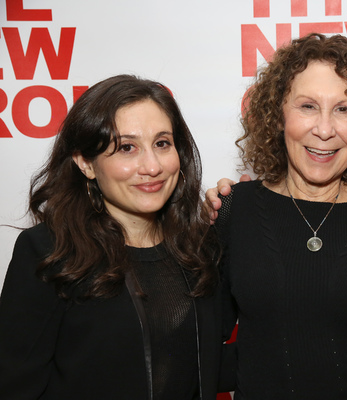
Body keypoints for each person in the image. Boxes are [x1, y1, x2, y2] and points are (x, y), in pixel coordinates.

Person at [0, 75, 230, 399]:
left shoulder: (198, 250)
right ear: (85, 162)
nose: (151, 166)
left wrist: (252, 212)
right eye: (126, 148)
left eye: (162, 143)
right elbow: (15, 384)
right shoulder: (50, 252)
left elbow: (204, 364)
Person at [209, 33, 347, 399]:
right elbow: (202, 339)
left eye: (344, 109)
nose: (324, 129)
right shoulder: (232, 208)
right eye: (307, 106)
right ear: (278, 116)